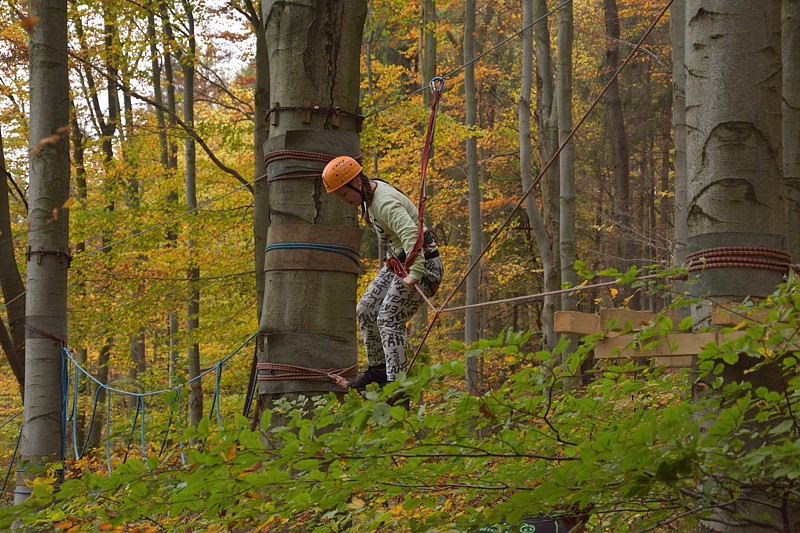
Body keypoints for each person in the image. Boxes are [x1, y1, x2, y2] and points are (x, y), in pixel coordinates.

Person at [322, 155, 444, 390]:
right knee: (366, 310)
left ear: (356, 182)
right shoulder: (369, 196)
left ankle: (396, 385)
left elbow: (412, 235)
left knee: (389, 318)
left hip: (424, 265)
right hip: (400, 263)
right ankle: (378, 372)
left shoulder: (384, 202)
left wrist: (415, 273)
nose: (344, 201)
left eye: (344, 194)